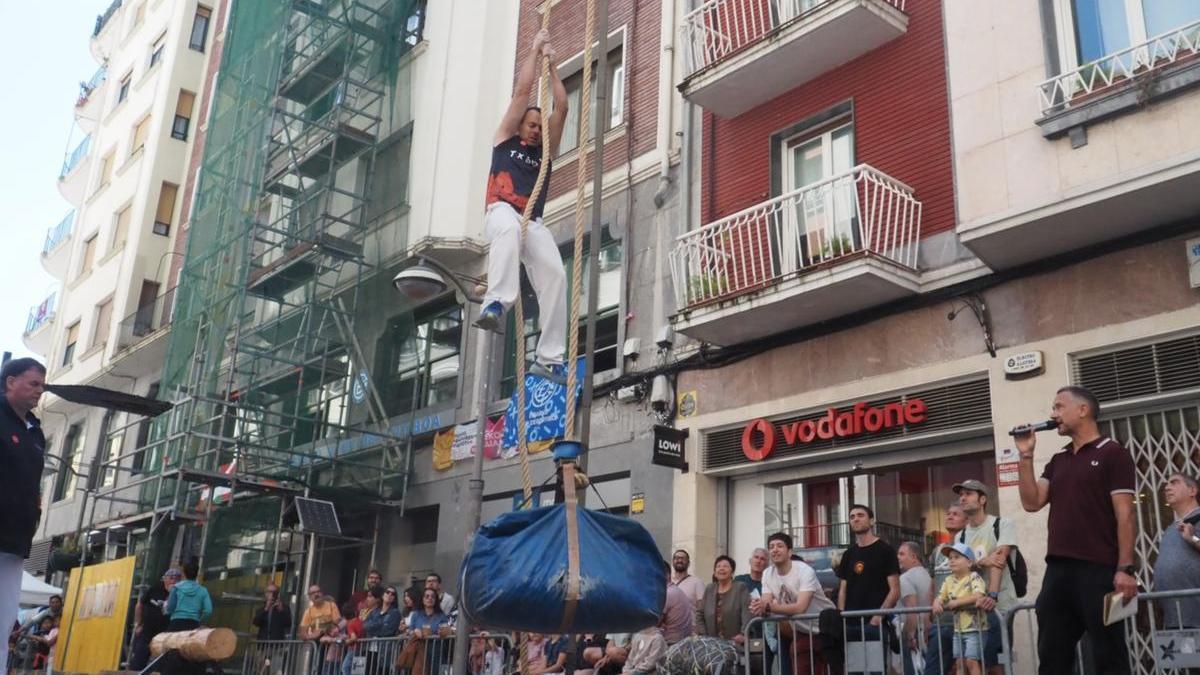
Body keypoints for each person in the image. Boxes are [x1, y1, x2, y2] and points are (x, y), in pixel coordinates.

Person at [1015, 385, 1136, 675]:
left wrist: (1126, 568)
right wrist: (1026, 456)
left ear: (1083, 410)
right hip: (1058, 571)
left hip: (1098, 569)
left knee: (1108, 654)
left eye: (1059, 407)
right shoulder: (1058, 460)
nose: (1052, 413)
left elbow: (1126, 514)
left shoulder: (1113, 454)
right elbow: (1031, 502)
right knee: (1052, 655)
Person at [475, 28, 570, 383]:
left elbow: (562, 107)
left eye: (538, 127)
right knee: (510, 230)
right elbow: (521, 92)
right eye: (530, 125)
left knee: (556, 274)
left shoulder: (546, 153)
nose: (534, 131)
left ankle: (548, 357)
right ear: (519, 127)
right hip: (500, 211)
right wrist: (533, 50)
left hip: (533, 223)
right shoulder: (504, 140)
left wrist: (554, 66)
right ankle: (496, 303)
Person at [0, 358, 47, 670]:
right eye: (34, 383)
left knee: (3, 622)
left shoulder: (35, 433)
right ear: (10, 382)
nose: (39, 391)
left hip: (16, 540)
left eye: (42, 385)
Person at [953, 479, 1017, 674]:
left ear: (982, 500)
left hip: (999, 606)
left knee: (995, 663)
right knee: (970, 664)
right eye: (961, 494)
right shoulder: (960, 537)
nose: (962, 498)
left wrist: (992, 596)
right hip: (971, 610)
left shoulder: (1001, 524)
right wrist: (981, 562)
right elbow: (959, 571)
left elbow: (999, 560)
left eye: (968, 494)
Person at [751, 531, 834, 675]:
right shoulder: (767, 574)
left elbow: (801, 607)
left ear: (790, 552)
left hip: (826, 626)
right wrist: (759, 607)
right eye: (771, 547)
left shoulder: (804, 571)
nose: (774, 549)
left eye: (779, 546)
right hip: (801, 631)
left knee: (832, 670)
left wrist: (769, 607)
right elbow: (766, 603)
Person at [836, 504, 900, 674]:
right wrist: (841, 615)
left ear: (871, 521)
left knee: (876, 670)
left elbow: (894, 590)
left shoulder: (885, 551)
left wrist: (878, 615)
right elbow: (843, 588)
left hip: (874, 625)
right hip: (850, 624)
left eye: (860, 515)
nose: (855, 519)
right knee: (854, 671)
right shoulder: (848, 554)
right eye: (852, 516)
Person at [931, 543, 987, 675]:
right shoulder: (948, 580)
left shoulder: (974, 576)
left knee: (972, 662)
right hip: (958, 629)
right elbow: (940, 596)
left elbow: (979, 594)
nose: (952, 560)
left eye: (957, 557)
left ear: (969, 562)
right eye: (950, 558)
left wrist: (957, 603)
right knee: (959, 663)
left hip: (975, 629)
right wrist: (936, 602)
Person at [1154, 472, 1200, 629]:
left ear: (1192, 491)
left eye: (1174, 482)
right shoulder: (1170, 530)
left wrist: (1193, 539)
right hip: (1176, 619)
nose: (1167, 487)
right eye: (1166, 484)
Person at [926, 503, 966, 675]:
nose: (949, 516)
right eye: (948, 513)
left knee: (963, 669)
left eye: (955, 514)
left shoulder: (969, 546)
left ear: (966, 520)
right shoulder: (938, 550)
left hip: (965, 623)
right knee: (933, 670)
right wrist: (929, 612)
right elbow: (933, 582)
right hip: (940, 622)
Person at [694, 555, 751, 644]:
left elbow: (746, 612)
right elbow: (699, 614)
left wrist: (743, 634)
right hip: (712, 644)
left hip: (735, 642)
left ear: (732, 571)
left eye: (725, 566)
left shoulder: (740, 587)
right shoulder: (709, 588)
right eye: (718, 566)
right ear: (715, 572)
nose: (721, 569)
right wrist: (704, 636)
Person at [130, 568, 180, 669]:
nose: (173, 581)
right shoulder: (155, 589)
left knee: (163, 663)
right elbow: (139, 605)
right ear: (165, 579)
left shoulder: (179, 593)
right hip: (148, 631)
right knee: (138, 661)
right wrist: (138, 624)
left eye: (176, 579)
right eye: (171, 578)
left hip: (165, 633)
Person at [896, 542, 932, 675]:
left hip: (916, 633)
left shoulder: (905, 578)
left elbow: (911, 610)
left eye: (902, 554)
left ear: (914, 557)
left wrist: (910, 636)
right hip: (930, 630)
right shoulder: (928, 576)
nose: (898, 557)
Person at [165, 561, 212, 631]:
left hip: (176, 624)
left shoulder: (176, 588)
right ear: (197, 574)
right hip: (194, 625)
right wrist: (200, 622)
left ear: (183, 573)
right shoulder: (203, 590)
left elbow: (170, 608)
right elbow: (208, 611)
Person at [661, 564, 694, 646]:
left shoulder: (668, 593)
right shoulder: (674, 590)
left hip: (671, 644)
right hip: (681, 641)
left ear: (667, 575)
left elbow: (653, 622)